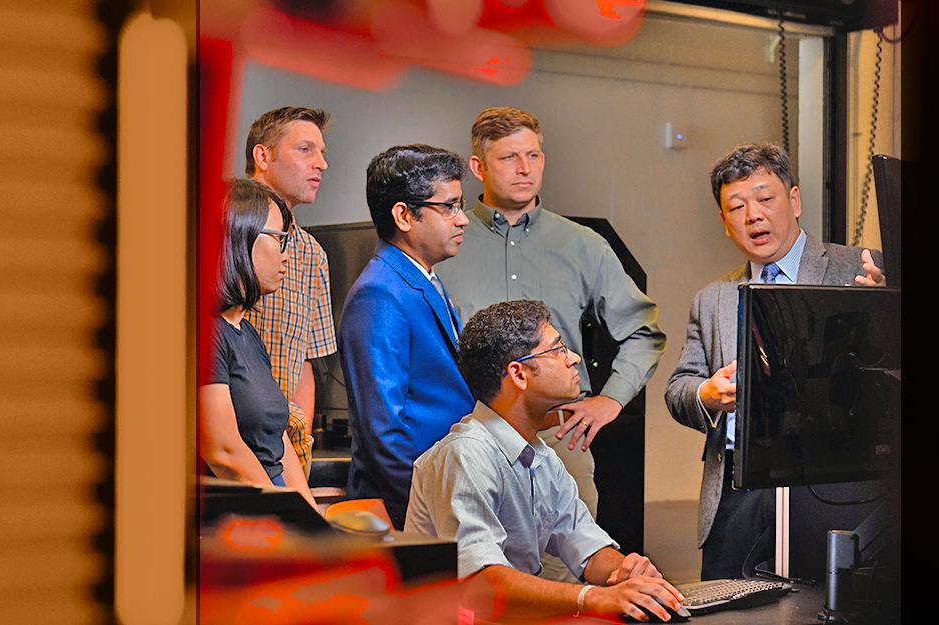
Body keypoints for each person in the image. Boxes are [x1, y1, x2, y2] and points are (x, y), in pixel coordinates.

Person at [435, 107, 665, 557]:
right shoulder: (448, 241)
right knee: (474, 587)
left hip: (559, 444)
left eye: (534, 156)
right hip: (467, 442)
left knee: (569, 583)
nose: (525, 169)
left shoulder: (583, 244)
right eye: (508, 158)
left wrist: (611, 399)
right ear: (478, 167)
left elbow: (644, 331)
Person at [665, 143, 883, 579]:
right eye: (737, 207)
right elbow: (679, 388)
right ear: (725, 223)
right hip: (736, 496)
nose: (753, 216)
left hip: (833, 489)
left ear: (795, 200)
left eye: (766, 199)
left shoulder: (861, 269)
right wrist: (706, 394)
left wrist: (890, 308)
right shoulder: (712, 300)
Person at [406, 300, 686, 623]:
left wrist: (626, 572)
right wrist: (591, 597)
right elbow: (483, 585)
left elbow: (585, 545)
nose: (574, 358)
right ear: (518, 374)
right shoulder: (466, 454)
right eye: (558, 349)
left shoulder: (540, 457)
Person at [339, 144, 477, 529]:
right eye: (448, 207)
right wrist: (426, 512)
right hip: (407, 508)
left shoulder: (420, 278)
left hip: (440, 493)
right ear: (403, 215)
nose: (462, 219)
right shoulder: (379, 294)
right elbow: (384, 430)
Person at [199, 178, 318, 511]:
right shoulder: (205, 333)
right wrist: (287, 518)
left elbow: (276, 442)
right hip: (242, 516)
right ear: (238, 238)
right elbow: (223, 452)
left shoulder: (247, 333)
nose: (286, 255)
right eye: (279, 239)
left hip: (273, 506)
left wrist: (310, 516)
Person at [243, 107, 336, 480]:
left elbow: (304, 362)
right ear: (263, 156)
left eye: (322, 152)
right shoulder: (220, 229)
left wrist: (299, 449)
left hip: (281, 456)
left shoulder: (311, 253)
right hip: (227, 449)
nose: (321, 164)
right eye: (305, 150)